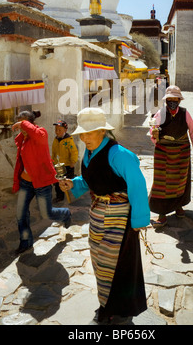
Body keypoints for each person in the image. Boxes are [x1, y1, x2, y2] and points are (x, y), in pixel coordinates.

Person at [59, 107, 150, 325]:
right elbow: (92, 181)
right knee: (101, 261)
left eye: (90, 133)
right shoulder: (90, 154)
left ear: (102, 131)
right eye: (83, 133)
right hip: (98, 215)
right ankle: (105, 303)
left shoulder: (119, 155)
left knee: (119, 263)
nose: (85, 137)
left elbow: (137, 186)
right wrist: (72, 184)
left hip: (120, 218)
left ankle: (119, 311)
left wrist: (138, 221)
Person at [12, 110, 71, 255]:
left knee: (47, 213)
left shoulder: (41, 133)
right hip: (26, 183)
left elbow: (36, 134)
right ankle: (25, 242)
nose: (22, 129)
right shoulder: (22, 139)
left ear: (31, 124)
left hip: (42, 182)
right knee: (21, 213)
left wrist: (23, 124)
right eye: (20, 126)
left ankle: (65, 214)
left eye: (24, 125)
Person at [149, 86, 193, 227]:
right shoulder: (160, 113)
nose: (172, 102)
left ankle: (178, 207)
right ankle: (162, 214)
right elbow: (152, 131)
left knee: (180, 181)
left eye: (175, 99)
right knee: (162, 183)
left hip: (182, 153)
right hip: (163, 153)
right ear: (166, 101)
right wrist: (155, 137)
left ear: (179, 100)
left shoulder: (185, 113)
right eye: (170, 100)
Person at [52, 119, 78, 202]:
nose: (57, 132)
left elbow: (73, 152)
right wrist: (53, 161)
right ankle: (60, 196)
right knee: (58, 182)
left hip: (67, 165)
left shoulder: (69, 140)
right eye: (56, 130)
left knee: (67, 181)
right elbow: (54, 152)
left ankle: (75, 191)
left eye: (59, 130)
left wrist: (73, 162)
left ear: (65, 130)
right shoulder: (55, 140)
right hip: (58, 165)